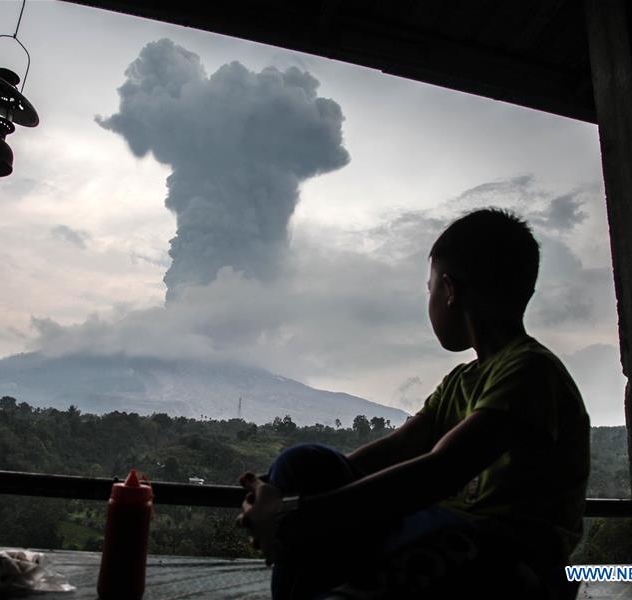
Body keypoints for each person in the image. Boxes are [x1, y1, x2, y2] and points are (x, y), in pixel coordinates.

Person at [236, 208, 590, 599]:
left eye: (431, 288)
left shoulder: (530, 369)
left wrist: (297, 514)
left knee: (433, 535)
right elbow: (398, 447)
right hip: (435, 531)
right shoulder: (461, 380)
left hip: (506, 557)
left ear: (451, 291)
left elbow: (442, 469)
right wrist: (284, 495)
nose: (431, 301)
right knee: (303, 463)